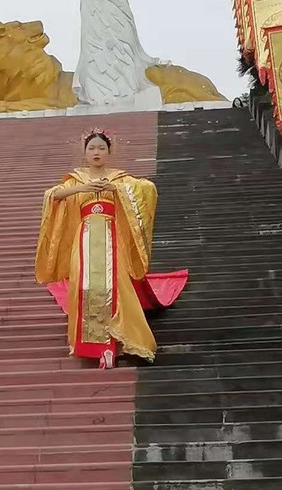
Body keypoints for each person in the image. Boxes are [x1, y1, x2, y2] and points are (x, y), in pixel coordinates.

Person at [35, 129, 188, 369]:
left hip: (111, 235)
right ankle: (91, 343)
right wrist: (82, 190)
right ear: (85, 153)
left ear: (109, 152)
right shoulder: (76, 178)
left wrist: (118, 191)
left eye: (101, 148)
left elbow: (147, 189)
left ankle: (118, 340)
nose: (96, 152)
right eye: (92, 148)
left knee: (115, 286)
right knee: (85, 284)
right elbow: (52, 195)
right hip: (84, 237)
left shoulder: (120, 179)